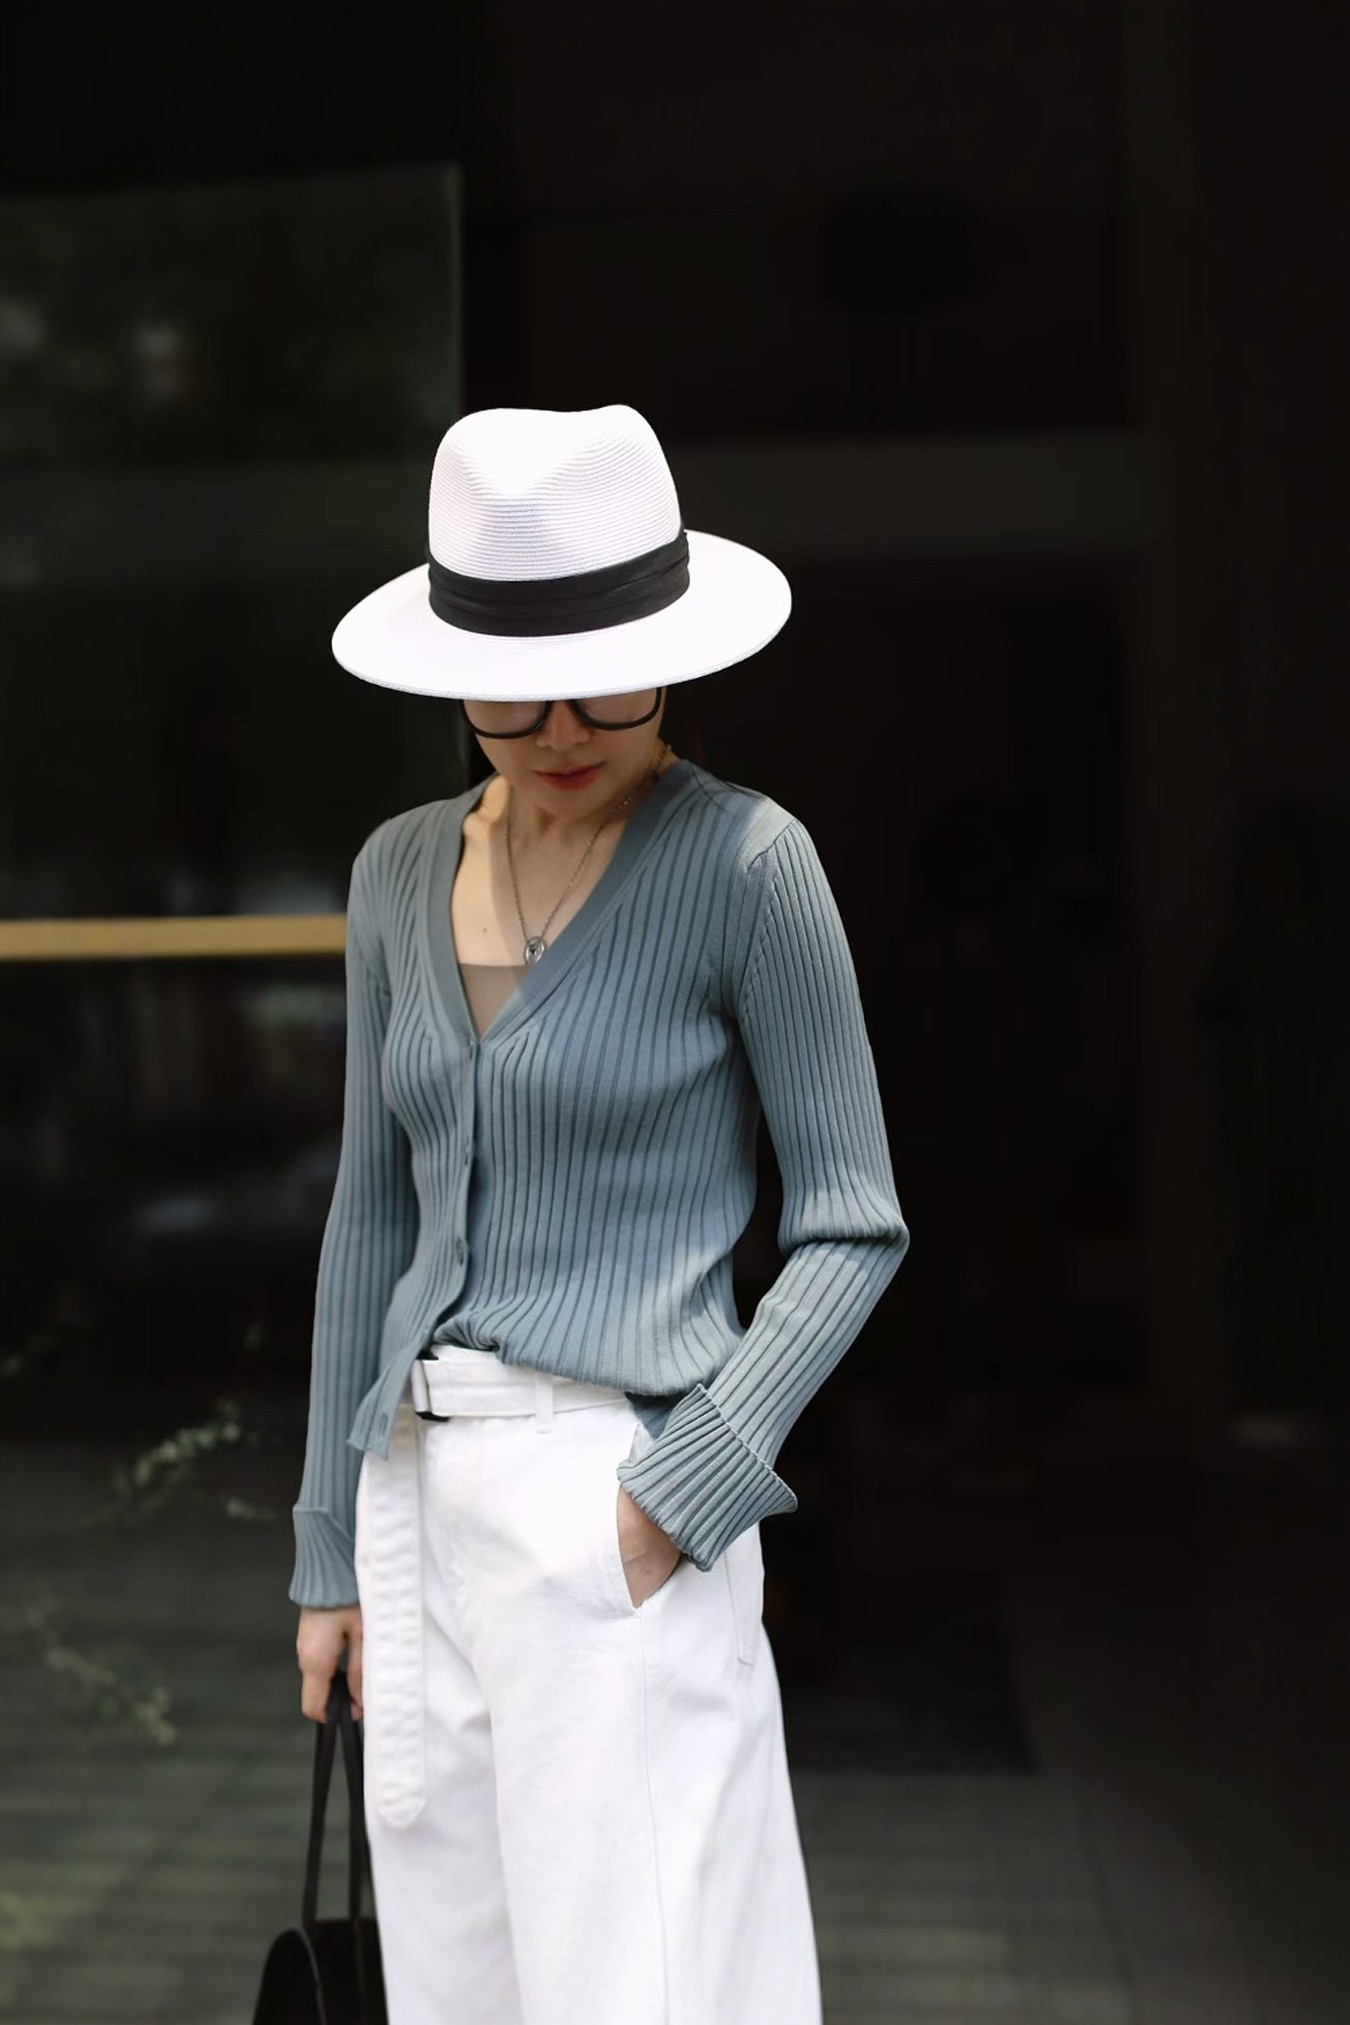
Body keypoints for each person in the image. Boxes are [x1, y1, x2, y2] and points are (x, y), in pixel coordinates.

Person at [289, 403, 910, 2025]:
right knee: (453, 1987)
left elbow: (853, 1219)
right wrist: (326, 1546)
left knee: (641, 1987)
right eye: (512, 687)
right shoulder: (393, 872)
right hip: (412, 1489)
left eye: (607, 679)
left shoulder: (746, 863)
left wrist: (680, 1487)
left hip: (614, 1486)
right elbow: (368, 1219)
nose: (562, 725)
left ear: (670, 658)